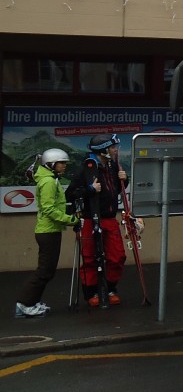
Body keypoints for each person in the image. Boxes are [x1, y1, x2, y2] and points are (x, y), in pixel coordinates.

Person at [15, 148, 80, 318]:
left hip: (50, 231)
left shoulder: (50, 179)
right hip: (48, 232)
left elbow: (55, 206)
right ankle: (24, 304)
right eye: (61, 163)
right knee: (44, 271)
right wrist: (72, 220)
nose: (64, 166)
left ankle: (32, 302)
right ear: (51, 164)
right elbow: (49, 209)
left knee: (47, 271)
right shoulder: (49, 182)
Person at [68, 134, 128, 307]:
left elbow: (114, 190)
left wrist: (124, 179)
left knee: (117, 256)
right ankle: (91, 292)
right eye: (112, 147)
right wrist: (90, 189)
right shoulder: (87, 169)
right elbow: (71, 193)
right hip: (90, 218)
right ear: (104, 150)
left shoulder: (112, 166)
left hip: (109, 218)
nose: (115, 150)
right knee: (91, 257)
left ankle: (109, 288)